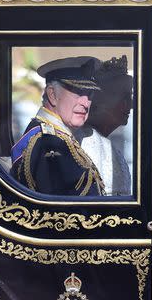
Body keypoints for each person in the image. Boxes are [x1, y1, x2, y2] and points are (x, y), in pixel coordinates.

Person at [10, 56, 105, 196]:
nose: (86, 103)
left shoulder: (56, 137)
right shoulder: (47, 142)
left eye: (89, 94)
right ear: (52, 94)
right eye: (78, 92)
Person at [75, 55, 133, 195]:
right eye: (123, 97)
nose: (131, 105)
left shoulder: (106, 145)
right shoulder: (83, 145)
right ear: (99, 102)